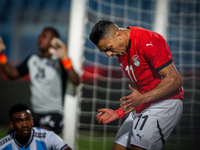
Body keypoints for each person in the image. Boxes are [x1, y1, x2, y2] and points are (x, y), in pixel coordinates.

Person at [89, 20, 184, 150]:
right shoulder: (121, 50)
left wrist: (142, 99)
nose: (109, 54)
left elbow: (175, 79)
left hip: (165, 103)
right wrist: (118, 113)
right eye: (104, 51)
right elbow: (141, 94)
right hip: (146, 103)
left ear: (118, 35)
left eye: (108, 49)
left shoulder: (148, 40)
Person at [0, 27, 80, 134]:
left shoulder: (59, 61)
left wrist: (65, 58)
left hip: (53, 113)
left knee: (42, 136)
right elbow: (12, 74)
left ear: (54, 41)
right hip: (35, 113)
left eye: (44, 36)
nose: (40, 38)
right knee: (13, 134)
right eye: (40, 36)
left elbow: (76, 80)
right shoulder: (32, 59)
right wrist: (1, 54)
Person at [0, 103, 72, 150]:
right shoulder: (4, 145)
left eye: (27, 120)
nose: (25, 125)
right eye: (20, 121)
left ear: (32, 121)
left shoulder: (47, 137)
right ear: (12, 125)